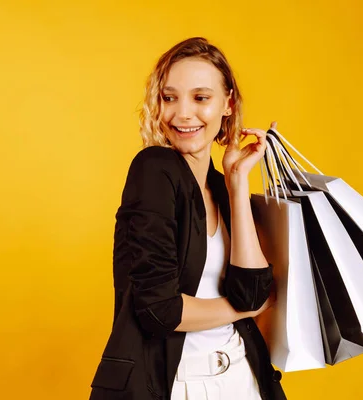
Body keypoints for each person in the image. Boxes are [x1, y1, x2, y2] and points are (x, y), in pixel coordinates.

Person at [89, 37, 286, 400]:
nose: (182, 113)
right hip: (177, 384)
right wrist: (243, 308)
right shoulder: (153, 170)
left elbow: (253, 289)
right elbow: (160, 310)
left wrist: (237, 184)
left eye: (200, 98)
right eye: (169, 97)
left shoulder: (220, 183)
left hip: (243, 379)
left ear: (227, 103)